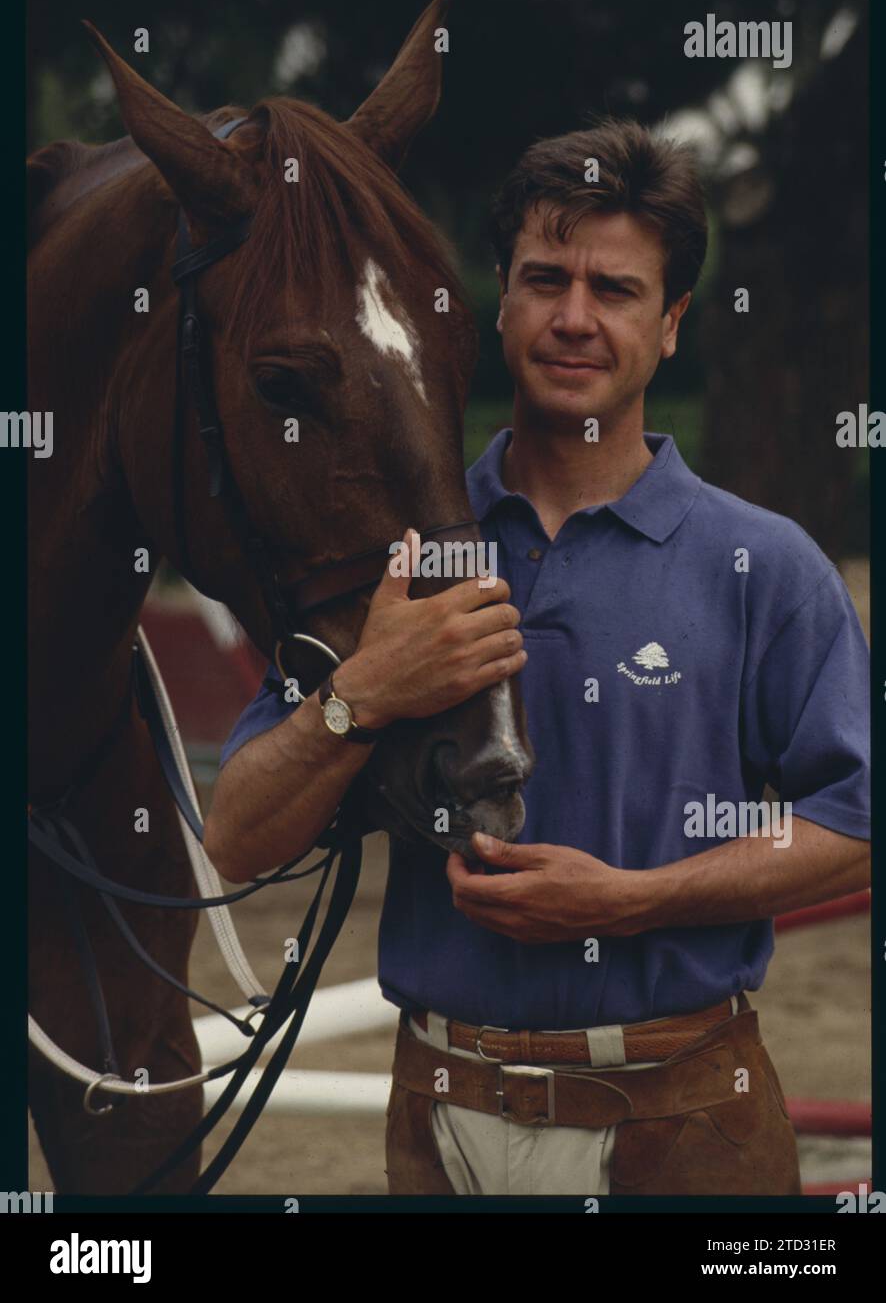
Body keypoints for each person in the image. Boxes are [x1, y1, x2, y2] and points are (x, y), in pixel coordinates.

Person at [205, 118, 870, 1196]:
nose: (573, 318)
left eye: (613, 290)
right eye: (543, 278)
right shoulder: (397, 558)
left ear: (670, 326)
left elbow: (855, 827)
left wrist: (633, 901)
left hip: (688, 1119)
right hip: (438, 1124)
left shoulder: (765, 565)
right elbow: (236, 833)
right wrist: (364, 694)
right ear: (496, 303)